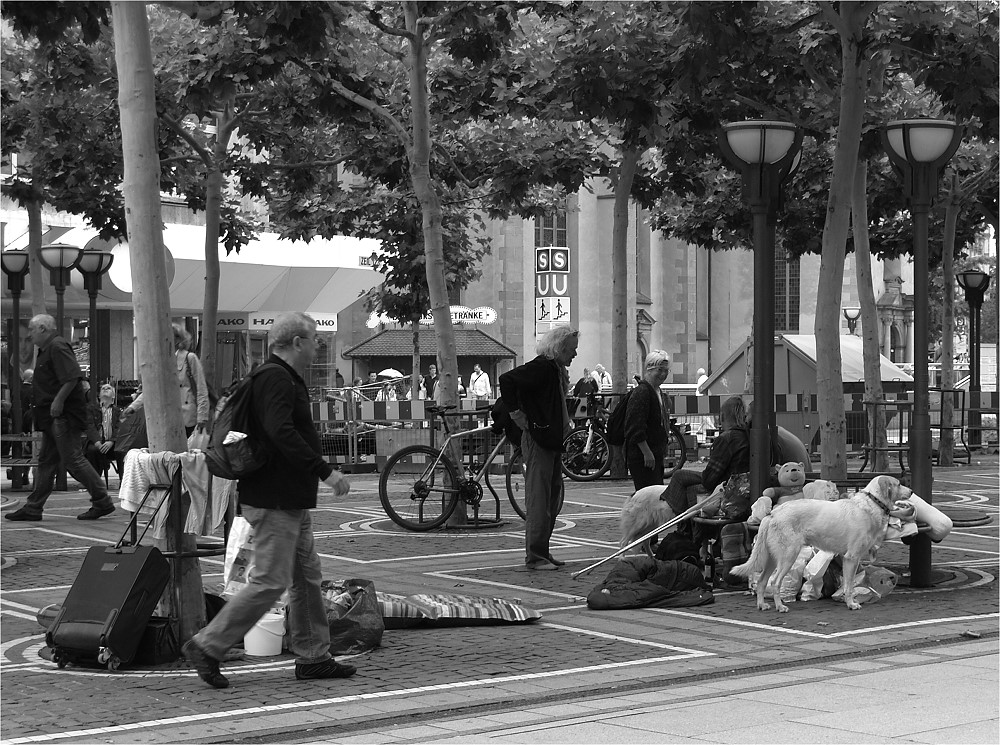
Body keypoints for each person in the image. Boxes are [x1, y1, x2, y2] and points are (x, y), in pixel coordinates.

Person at [182, 311, 355, 689]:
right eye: (313, 340)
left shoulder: (275, 375)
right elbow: (280, 431)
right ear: (296, 343)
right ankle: (207, 645)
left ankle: (313, 656)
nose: (317, 346)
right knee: (270, 581)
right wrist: (324, 470)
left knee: (306, 577)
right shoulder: (276, 378)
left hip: (287, 497)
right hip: (275, 498)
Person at [5, 314, 116, 522]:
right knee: (47, 461)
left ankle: (102, 500)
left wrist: (58, 401)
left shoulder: (57, 347)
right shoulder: (50, 349)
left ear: (43, 329)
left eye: (31, 330)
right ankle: (34, 506)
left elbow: (73, 376)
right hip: (53, 417)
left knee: (73, 459)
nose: (30, 335)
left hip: (62, 416)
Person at [499, 325, 579, 571]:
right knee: (540, 499)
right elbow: (506, 379)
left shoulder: (553, 369)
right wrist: (516, 414)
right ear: (559, 348)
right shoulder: (543, 367)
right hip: (539, 439)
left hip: (549, 439)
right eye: (571, 350)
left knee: (551, 498)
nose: (574, 355)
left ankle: (542, 550)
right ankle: (535, 555)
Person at [660, 395, 751, 520]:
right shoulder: (747, 435)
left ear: (722, 416)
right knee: (681, 476)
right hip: (741, 483)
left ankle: (682, 521)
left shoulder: (726, 439)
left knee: (679, 476)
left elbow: (709, 480)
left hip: (726, 486)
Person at [624, 351, 673, 491]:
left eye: (666, 370)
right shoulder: (643, 392)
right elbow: (634, 426)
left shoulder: (657, 392)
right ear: (649, 369)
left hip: (654, 453)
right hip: (644, 456)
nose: (663, 374)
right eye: (659, 370)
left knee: (652, 496)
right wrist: (646, 452)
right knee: (647, 498)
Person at [85, 383, 123, 480]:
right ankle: (94, 481)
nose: (105, 389)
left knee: (121, 451)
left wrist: (111, 441)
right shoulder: (91, 409)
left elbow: (119, 427)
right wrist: (97, 442)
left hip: (113, 444)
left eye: (108, 388)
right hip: (97, 443)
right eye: (103, 388)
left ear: (113, 395)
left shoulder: (118, 411)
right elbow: (90, 426)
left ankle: (123, 480)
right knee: (92, 450)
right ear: (99, 395)